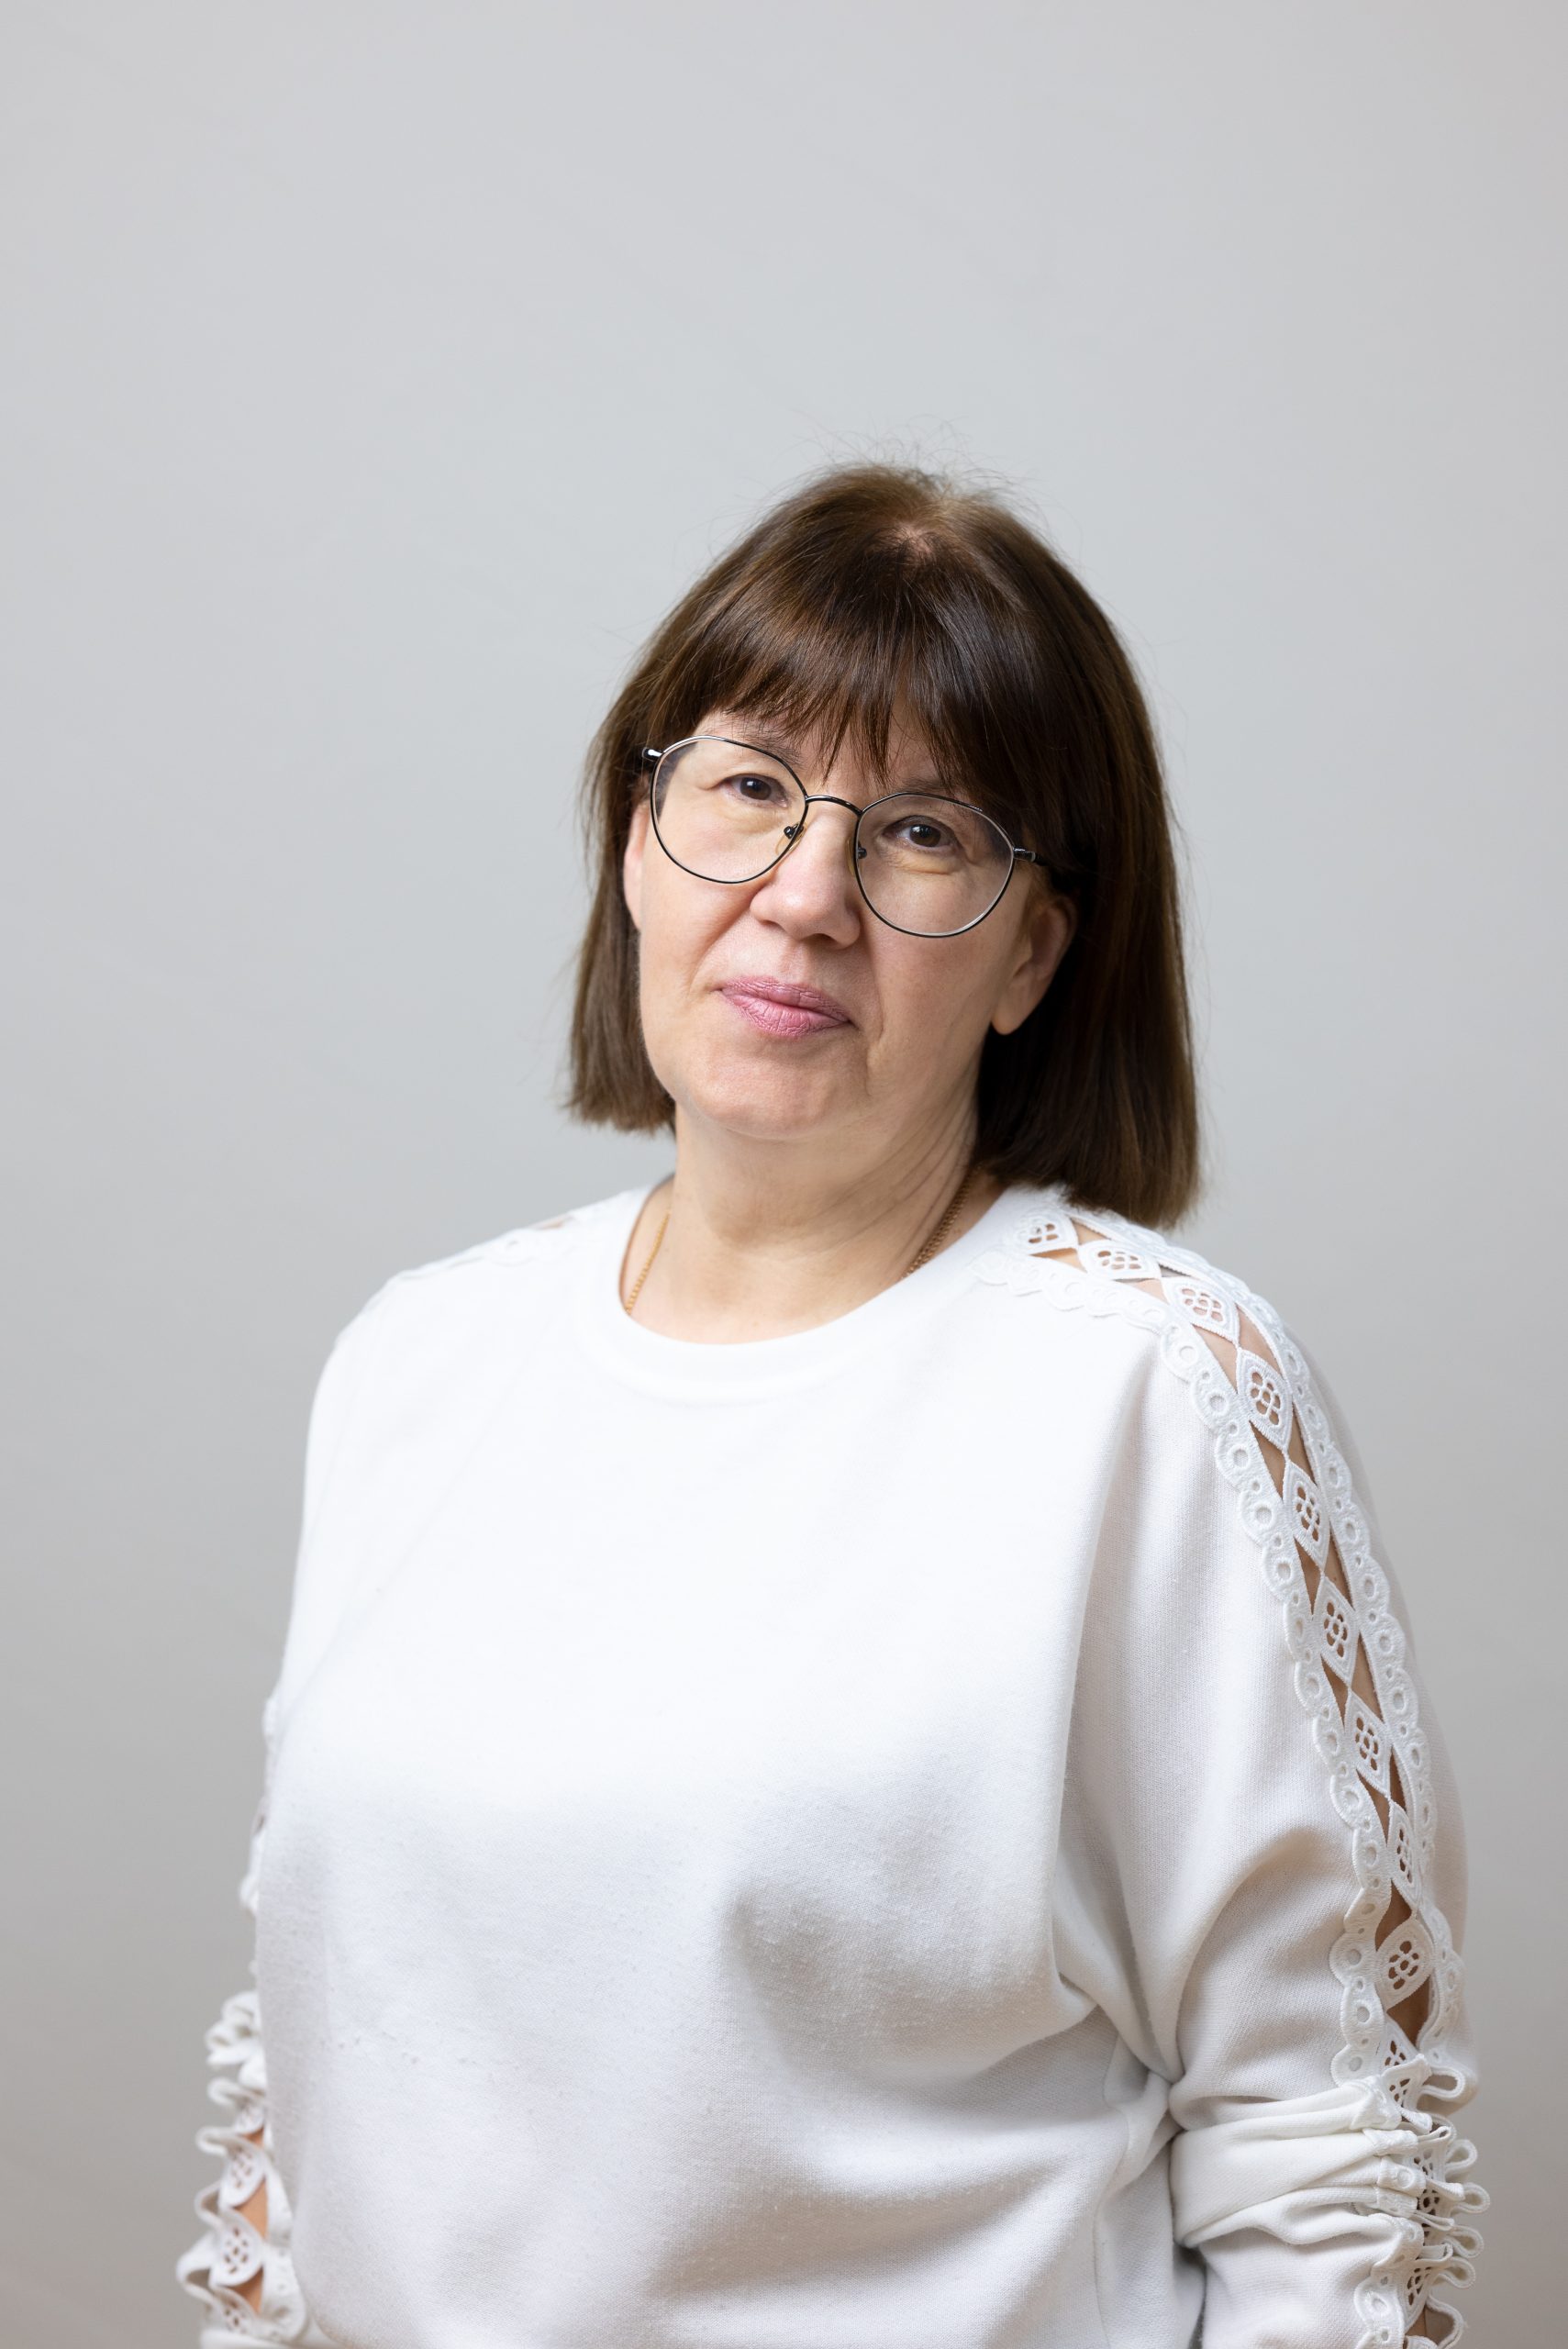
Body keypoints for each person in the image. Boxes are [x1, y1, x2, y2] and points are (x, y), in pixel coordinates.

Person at [176, 462, 1486, 2348]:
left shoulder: (1158, 1394)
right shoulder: (420, 1358)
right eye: (748, 788)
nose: (802, 897)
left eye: (923, 832)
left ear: (1033, 952)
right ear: (635, 840)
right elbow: (316, 2066)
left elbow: (1337, 2149)